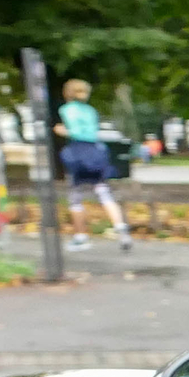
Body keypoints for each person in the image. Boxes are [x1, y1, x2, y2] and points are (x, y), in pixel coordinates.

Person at [57, 78, 131, 251]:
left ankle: (80, 237)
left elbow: (75, 131)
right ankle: (121, 230)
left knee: (75, 195)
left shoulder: (67, 110)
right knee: (103, 192)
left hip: (78, 152)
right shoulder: (91, 111)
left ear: (67, 92)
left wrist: (62, 130)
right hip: (96, 151)